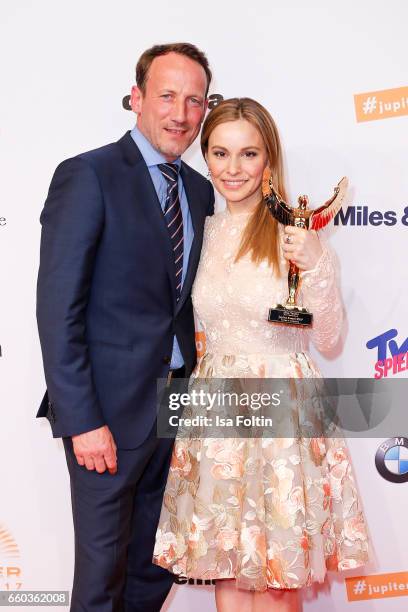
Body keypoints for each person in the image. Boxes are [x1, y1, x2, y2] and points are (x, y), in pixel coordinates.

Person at [153, 98, 369, 612]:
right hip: (216, 409)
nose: (233, 169)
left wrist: (317, 266)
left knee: (275, 577)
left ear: (269, 159)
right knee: (226, 567)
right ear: (204, 156)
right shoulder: (201, 231)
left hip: (282, 412)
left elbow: (330, 340)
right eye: (220, 153)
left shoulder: (297, 234)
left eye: (248, 154)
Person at [36, 42, 214, 612]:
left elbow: (179, 304)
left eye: (194, 101)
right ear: (136, 98)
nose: (179, 113)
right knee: (100, 580)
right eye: (166, 96)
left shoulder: (201, 190)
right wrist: (82, 419)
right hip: (105, 419)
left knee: (151, 569)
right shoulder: (88, 175)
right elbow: (58, 308)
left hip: (175, 413)